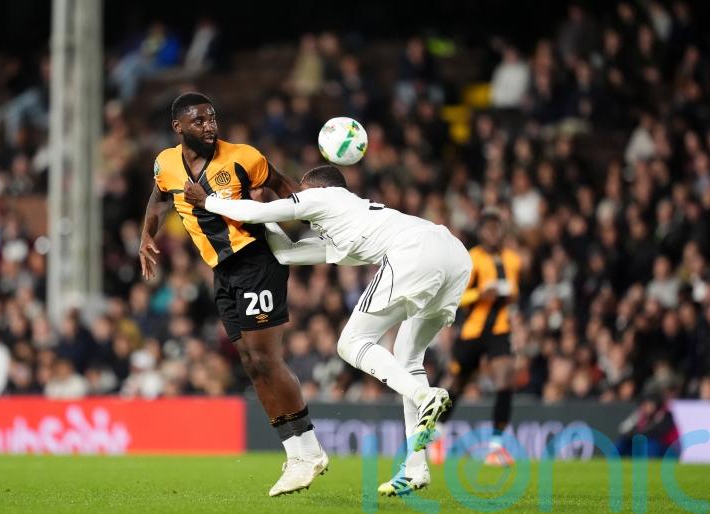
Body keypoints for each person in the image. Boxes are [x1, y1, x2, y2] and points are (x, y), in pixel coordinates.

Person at [183, 165, 472, 497]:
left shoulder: (323, 197)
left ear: (312, 187)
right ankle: (416, 468)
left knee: (351, 343)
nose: (298, 195)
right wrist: (269, 223)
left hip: (415, 250)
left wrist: (207, 202)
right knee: (408, 359)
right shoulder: (348, 223)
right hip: (453, 254)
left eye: (300, 190)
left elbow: (254, 211)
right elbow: (286, 253)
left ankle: (425, 396)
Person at [139, 92, 327, 497]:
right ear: (178, 128)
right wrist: (145, 236)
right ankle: (295, 453)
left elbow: (284, 186)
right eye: (199, 121)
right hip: (221, 271)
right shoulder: (165, 163)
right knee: (249, 363)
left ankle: (309, 450)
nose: (209, 127)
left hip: (256, 260)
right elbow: (158, 197)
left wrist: (316, 218)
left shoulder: (244, 157)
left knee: (266, 358)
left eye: (212, 119)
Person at [445, 208, 522, 467]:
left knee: (505, 378)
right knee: (458, 384)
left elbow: (515, 291)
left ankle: (496, 447)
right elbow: (456, 297)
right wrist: (480, 295)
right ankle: (437, 435)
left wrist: (510, 297)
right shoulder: (472, 259)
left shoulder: (513, 259)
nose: (492, 232)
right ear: (480, 232)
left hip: (500, 330)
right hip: (473, 331)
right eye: (487, 228)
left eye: (496, 227)